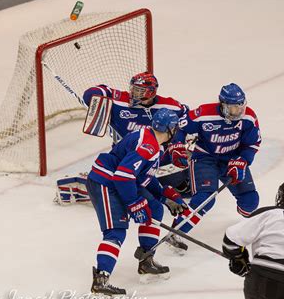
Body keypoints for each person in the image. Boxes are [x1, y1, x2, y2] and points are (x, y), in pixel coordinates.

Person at [87, 108, 188, 296]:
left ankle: (146, 260)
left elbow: (143, 178)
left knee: (155, 209)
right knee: (116, 231)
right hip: (105, 182)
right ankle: (101, 280)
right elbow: (123, 177)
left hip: (119, 181)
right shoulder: (148, 146)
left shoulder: (152, 141)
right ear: (171, 129)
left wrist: (166, 196)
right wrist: (134, 203)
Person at [54, 72, 191, 205]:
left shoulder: (169, 105)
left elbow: (187, 118)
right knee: (125, 184)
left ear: (150, 92)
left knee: (184, 163)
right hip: (127, 156)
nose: (133, 93)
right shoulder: (120, 100)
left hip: (157, 156)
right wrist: (99, 95)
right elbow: (91, 94)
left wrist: (177, 144)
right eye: (133, 89)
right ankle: (82, 189)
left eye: (139, 91)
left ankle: (177, 183)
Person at [166, 83, 261, 253]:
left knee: (250, 201)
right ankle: (177, 231)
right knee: (205, 199)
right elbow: (180, 127)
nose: (238, 112)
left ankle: (251, 229)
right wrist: (177, 146)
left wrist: (242, 160)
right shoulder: (203, 113)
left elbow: (253, 143)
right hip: (205, 158)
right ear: (222, 105)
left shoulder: (248, 118)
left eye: (240, 107)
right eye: (233, 109)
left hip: (232, 160)